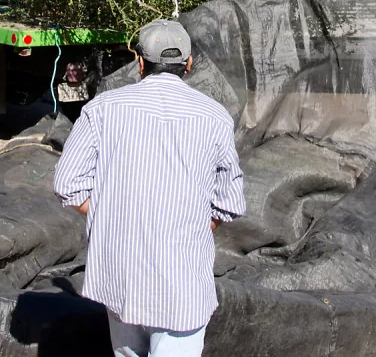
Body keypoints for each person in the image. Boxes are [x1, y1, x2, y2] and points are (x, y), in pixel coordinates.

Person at [53, 19, 245, 357]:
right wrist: (195, 225)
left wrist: (110, 211)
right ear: (188, 63)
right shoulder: (215, 117)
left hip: (119, 277)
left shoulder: (101, 110)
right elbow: (229, 201)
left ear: (139, 63)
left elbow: (68, 185)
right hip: (181, 283)